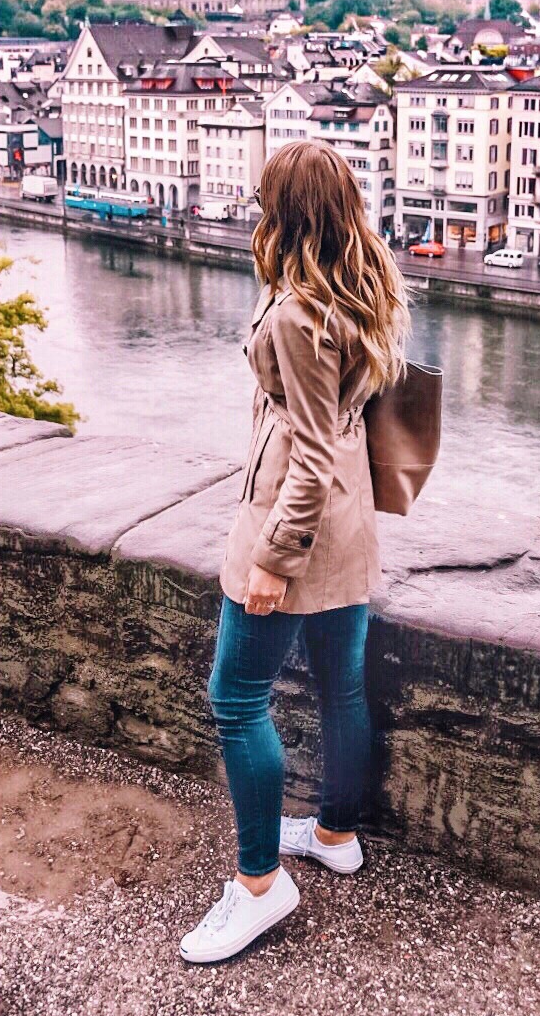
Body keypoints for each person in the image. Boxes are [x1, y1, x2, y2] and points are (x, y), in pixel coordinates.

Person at [180, 140, 410, 964]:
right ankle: (335, 832)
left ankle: (257, 885)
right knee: (339, 683)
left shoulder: (295, 311)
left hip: (296, 523)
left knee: (236, 698)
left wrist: (272, 560)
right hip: (348, 524)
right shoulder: (363, 288)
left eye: (261, 201)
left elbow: (306, 452)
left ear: (284, 215)